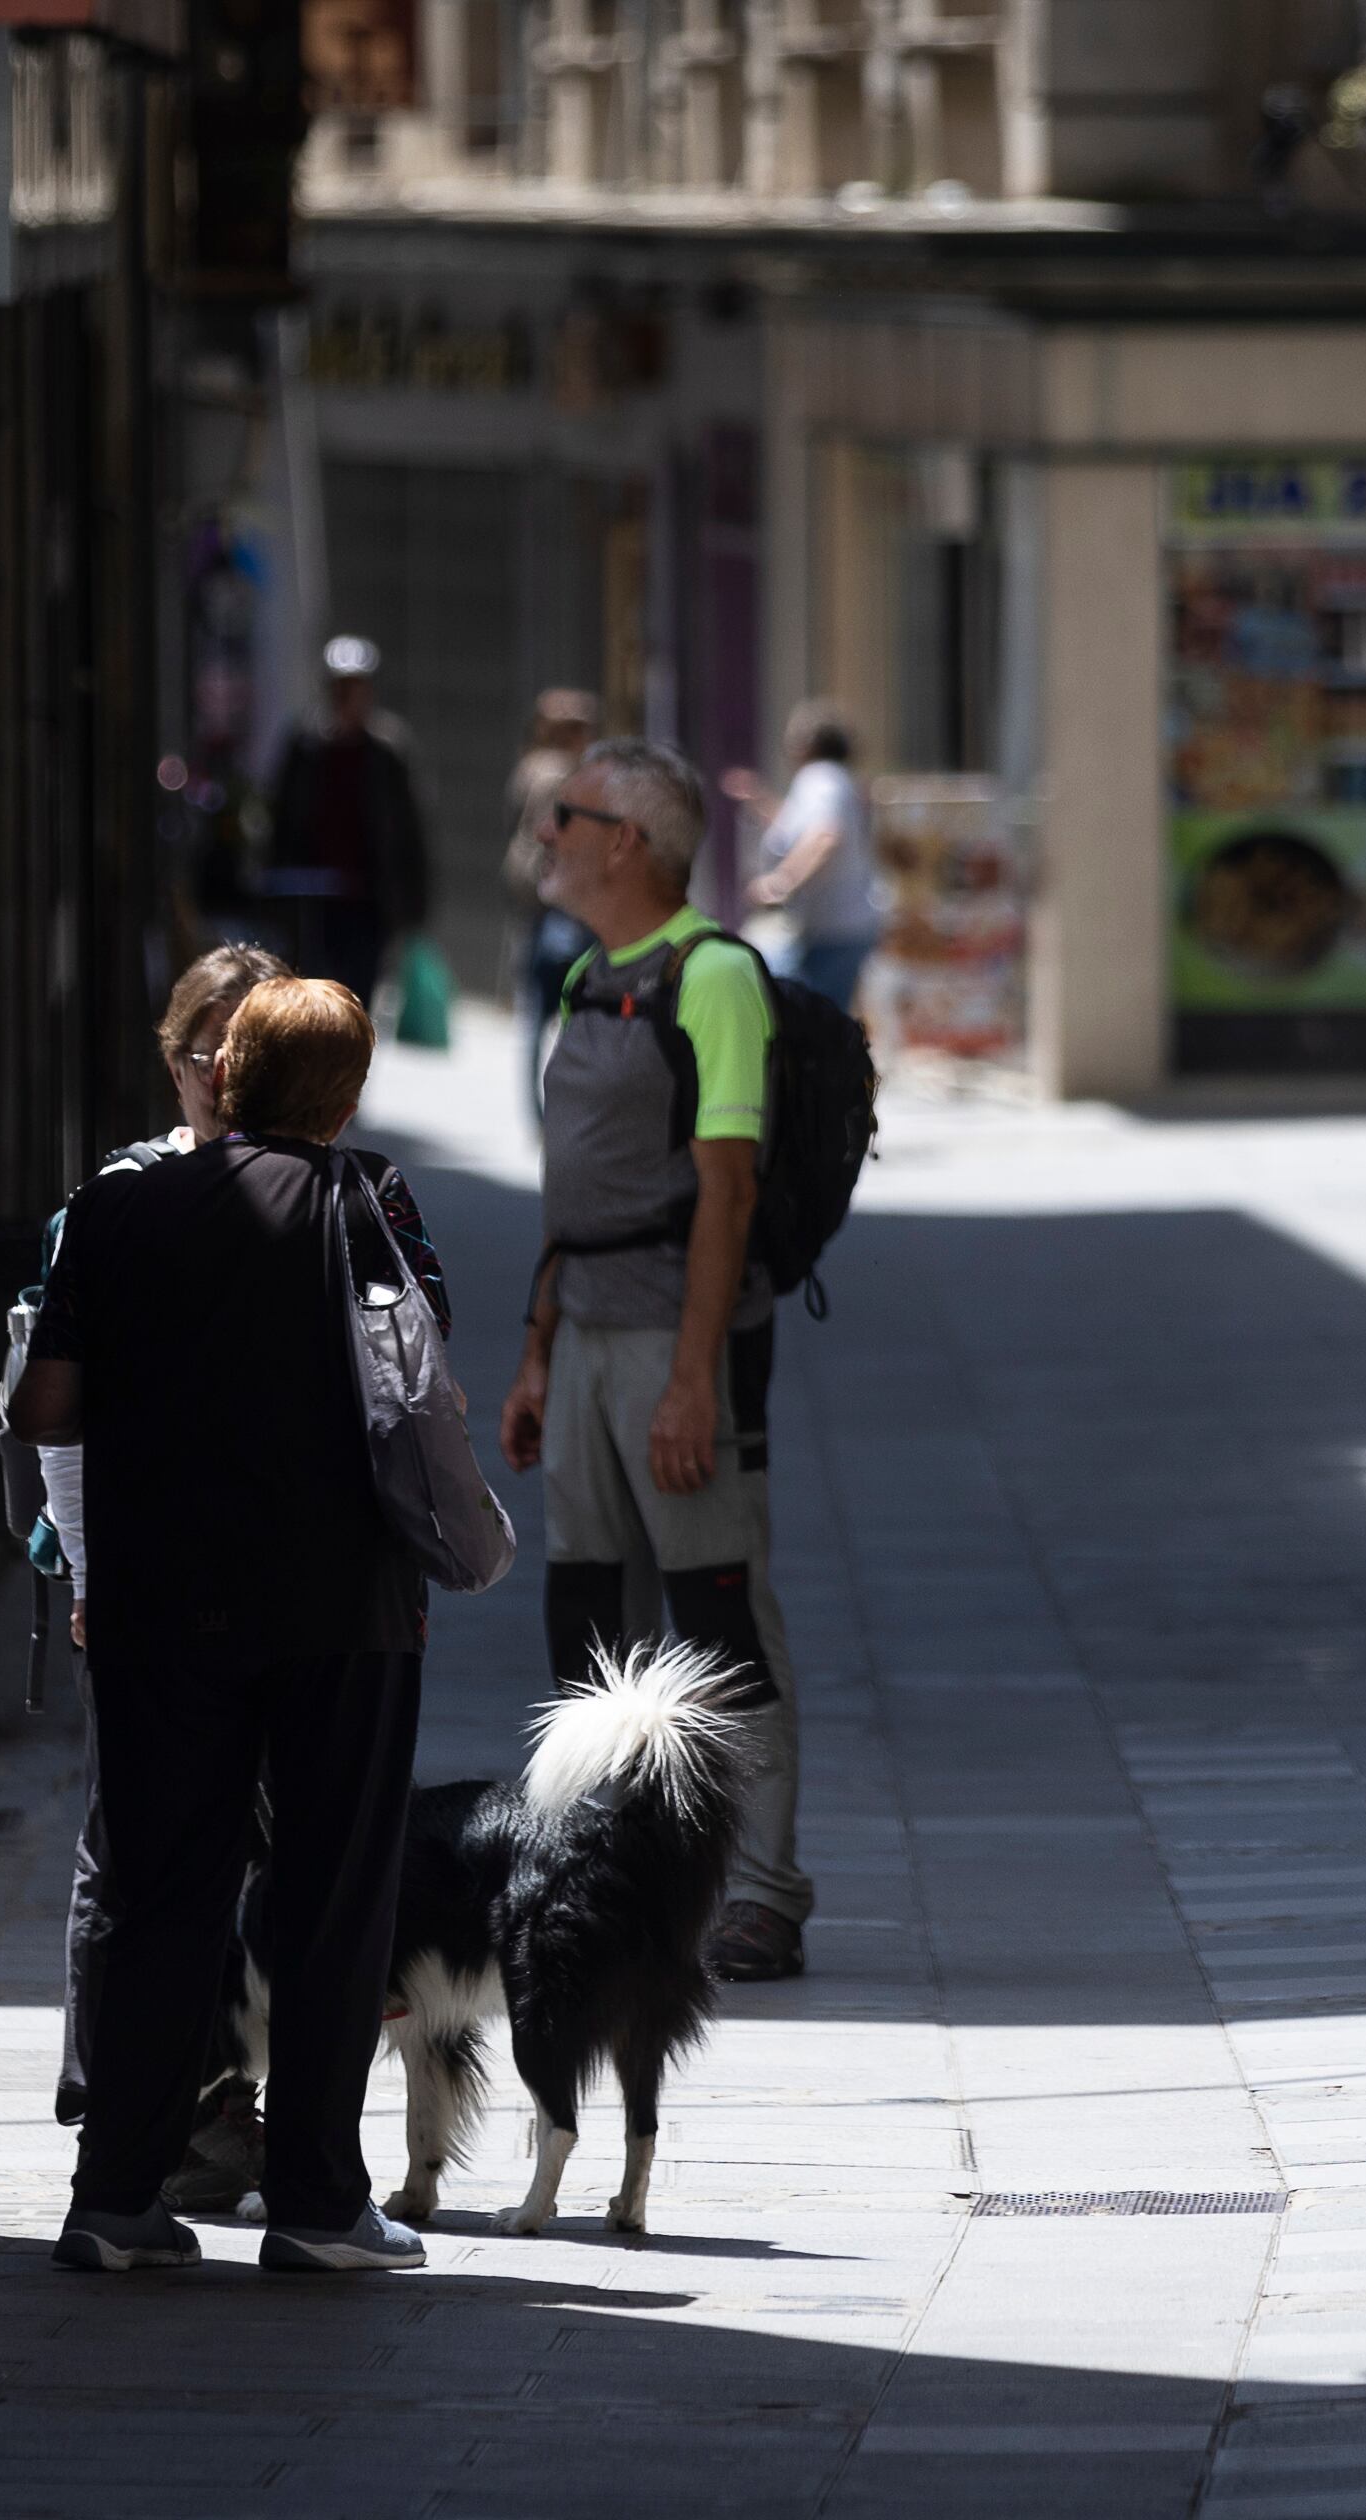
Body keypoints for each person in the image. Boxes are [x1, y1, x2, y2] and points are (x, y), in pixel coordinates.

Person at [9, 977, 440, 2274]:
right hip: (341, 1606)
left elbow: (45, 1408)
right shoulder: (369, 1203)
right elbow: (417, 1380)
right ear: (347, 1094)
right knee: (331, 1894)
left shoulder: (116, 1207)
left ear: (225, 1071)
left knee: (159, 1892)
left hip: (156, 1605)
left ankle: (117, 2200)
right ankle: (315, 2206)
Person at [499, 737, 815, 1982]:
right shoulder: (586, 976)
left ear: (628, 841)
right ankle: (612, 1867)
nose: (547, 831)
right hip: (581, 1337)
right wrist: (535, 1357)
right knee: (587, 1612)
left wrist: (693, 1378)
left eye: (566, 814)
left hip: (677, 1347)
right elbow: (570, 1194)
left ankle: (764, 1890)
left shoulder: (715, 976)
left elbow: (726, 1191)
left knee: (718, 1620)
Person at [36, 945, 289, 2203]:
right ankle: (135, 2111)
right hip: (144, 1581)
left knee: (256, 1848)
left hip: (275, 1587)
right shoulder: (120, 1196)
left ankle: (217, 2101)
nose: (219, 1078)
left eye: (246, 1055)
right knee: (131, 1854)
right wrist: (91, 1569)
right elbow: (55, 1420)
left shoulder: (316, 1193)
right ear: (173, 1056)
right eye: (201, 1053)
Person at [264, 635, 431, 1004]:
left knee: (357, 998)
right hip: (312, 902)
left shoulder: (387, 752)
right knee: (311, 999)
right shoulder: (304, 745)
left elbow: (408, 828)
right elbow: (281, 817)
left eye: (355, 688)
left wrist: (413, 905)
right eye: (340, 688)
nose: (348, 698)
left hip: (367, 902)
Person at [719, 698, 882, 1015]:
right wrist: (761, 799)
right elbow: (798, 827)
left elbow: (824, 836)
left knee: (817, 1023)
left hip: (837, 927)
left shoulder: (820, 780)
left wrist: (781, 883)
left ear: (807, 742)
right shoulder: (830, 781)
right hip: (836, 926)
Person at [502, 688, 601, 1124]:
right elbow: (553, 838)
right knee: (560, 1006)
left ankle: (538, 1111)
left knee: (536, 1011)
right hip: (559, 904)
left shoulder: (529, 766)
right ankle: (549, 1111)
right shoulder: (559, 775)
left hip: (534, 901)